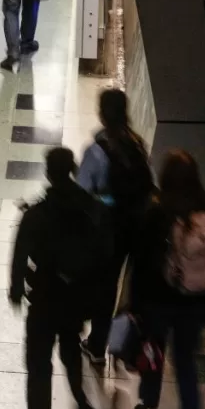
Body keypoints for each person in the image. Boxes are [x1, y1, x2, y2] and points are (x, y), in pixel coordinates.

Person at [9, 148, 99, 409]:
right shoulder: (89, 208)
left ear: (48, 173)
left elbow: (20, 254)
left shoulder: (37, 214)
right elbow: (103, 251)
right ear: (72, 170)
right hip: (76, 297)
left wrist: (15, 290)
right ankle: (81, 402)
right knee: (71, 350)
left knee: (38, 360)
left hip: (45, 299)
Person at [128, 150, 205, 409]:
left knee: (155, 353)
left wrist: (134, 303)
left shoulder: (157, 211)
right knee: (186, 360)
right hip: (196, 301)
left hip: (159, 300)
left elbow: (141, 263)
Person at [77, 89, 154, 365]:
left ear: (101, 112)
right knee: (126, 287)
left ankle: (96, 344)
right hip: (134, 229)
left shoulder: (97, 151)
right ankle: (120, 343)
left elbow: (82, 193)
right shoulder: (138, 144)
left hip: (105, 231)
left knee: (103, 285)